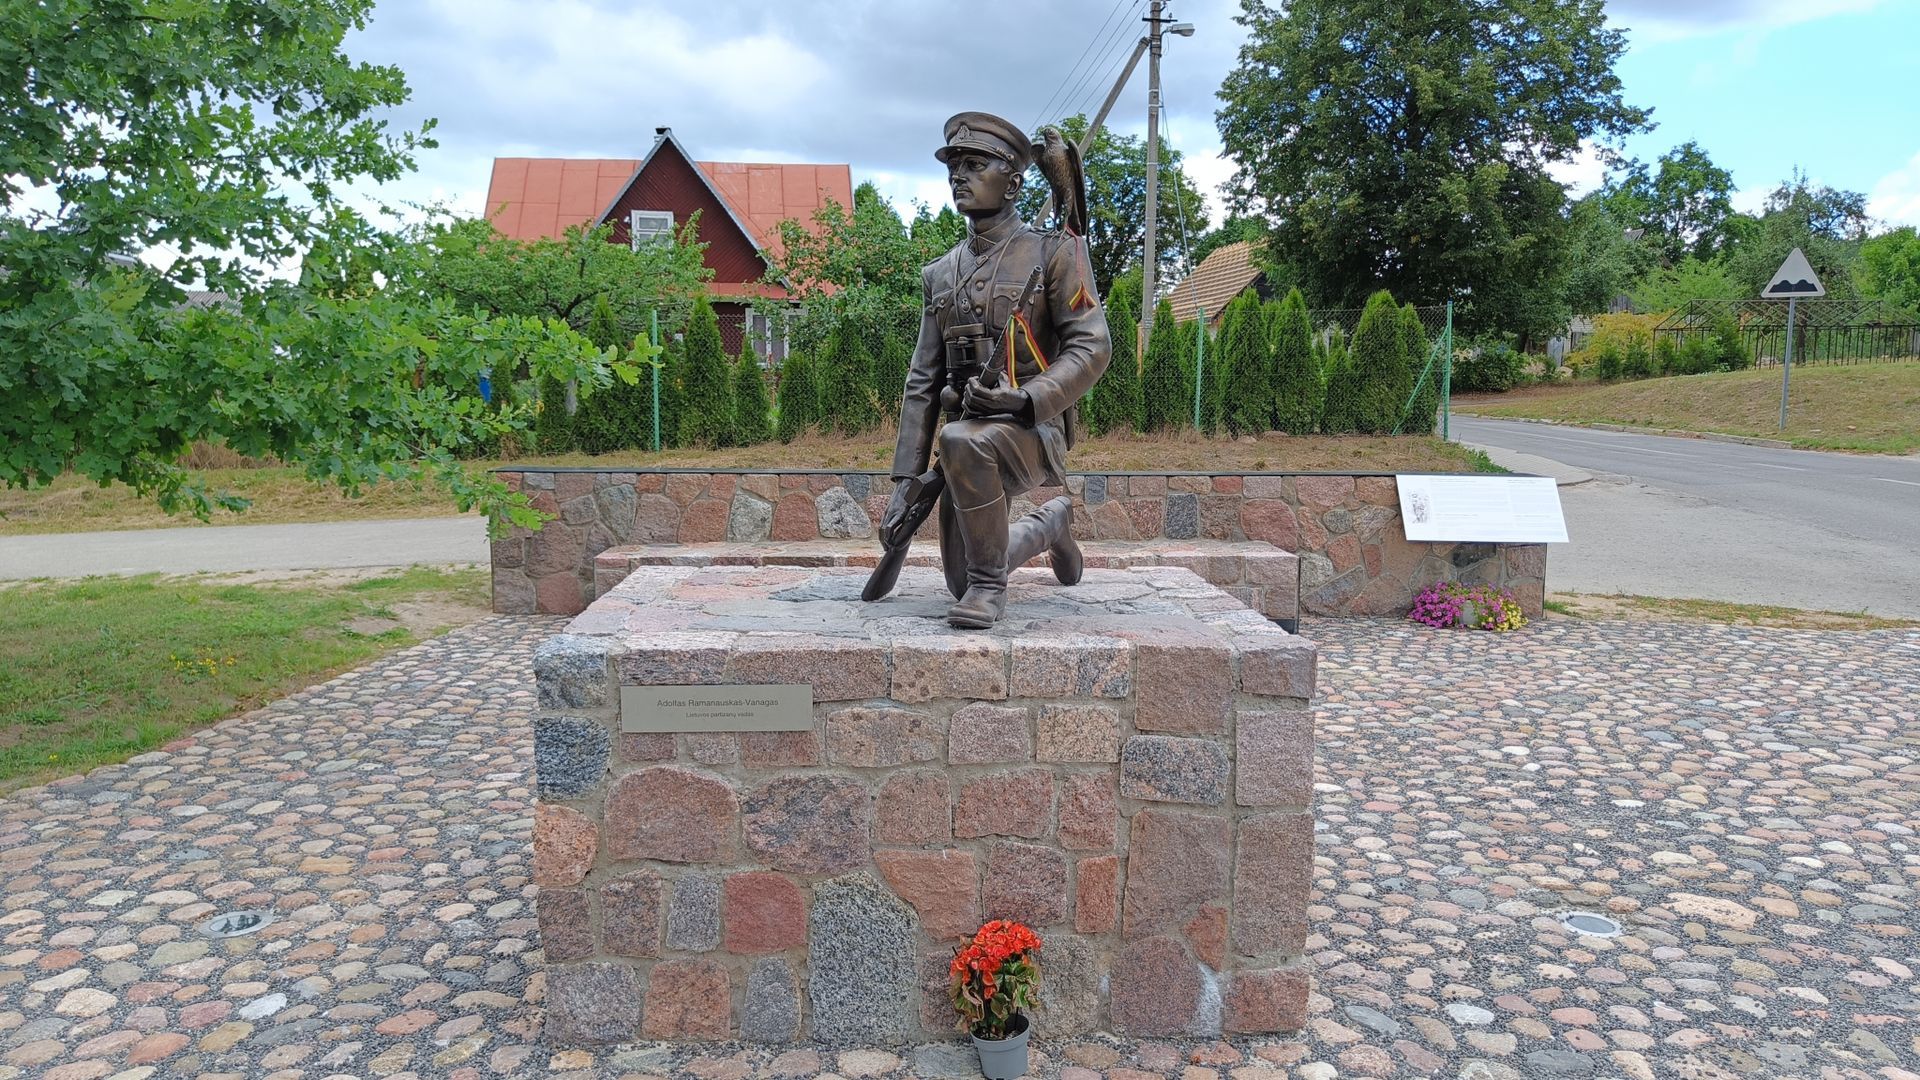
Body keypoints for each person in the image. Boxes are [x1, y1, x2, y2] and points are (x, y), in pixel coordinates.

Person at [883, 111, 1111, 628]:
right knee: (957, 576)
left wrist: (1026, 399)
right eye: (954, 165)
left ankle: (992, 588)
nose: (959, 175)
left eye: (975, 164)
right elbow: (922, 380)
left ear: (1013, 183)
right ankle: (1049, 523)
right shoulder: (939, 273)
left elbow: (1091, 347)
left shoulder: (1055, 252)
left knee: (963, 443)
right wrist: (905, 479)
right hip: (963, 441)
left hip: (1031, 428)